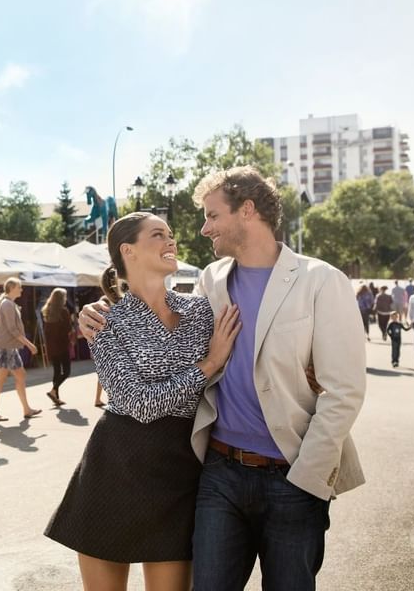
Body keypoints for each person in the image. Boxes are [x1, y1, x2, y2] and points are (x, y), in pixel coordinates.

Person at [81, 165, 367, 591]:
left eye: (212, 216)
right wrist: (98, 311)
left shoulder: (321, 281)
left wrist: (308, 477)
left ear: (247, 210)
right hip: (217, 472)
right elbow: (168, 335)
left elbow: (344, 391)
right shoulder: (210, 281)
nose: (202, 228)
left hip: (291, 473)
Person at [46, 213, 240, 591]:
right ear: (128, 250)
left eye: (171, 234)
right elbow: (139, 404)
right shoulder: (104, 320)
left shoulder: (202, 311)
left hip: (181, 469)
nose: (171, 241)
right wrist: (209, 363)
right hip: (115, 467)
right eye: (158, 235)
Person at [0, 277, 41, 422]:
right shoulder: (7, 304)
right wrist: (30, 344)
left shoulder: (8, 303)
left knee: (20, 375)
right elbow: (13, 330)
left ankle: (26, 409)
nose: (22, 289)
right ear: (12, 288)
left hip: (8, 346)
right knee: (1, 379)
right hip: (5, 346)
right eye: (19, 287)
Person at [42, 287, 73, 406]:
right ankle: (53, 391)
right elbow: (68, 329)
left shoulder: (47, 311)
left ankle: (56, 396)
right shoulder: (63, 311)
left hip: (51, 346)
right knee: (66, 371)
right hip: (62, 345)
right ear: (61, 299)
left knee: (56, 371)